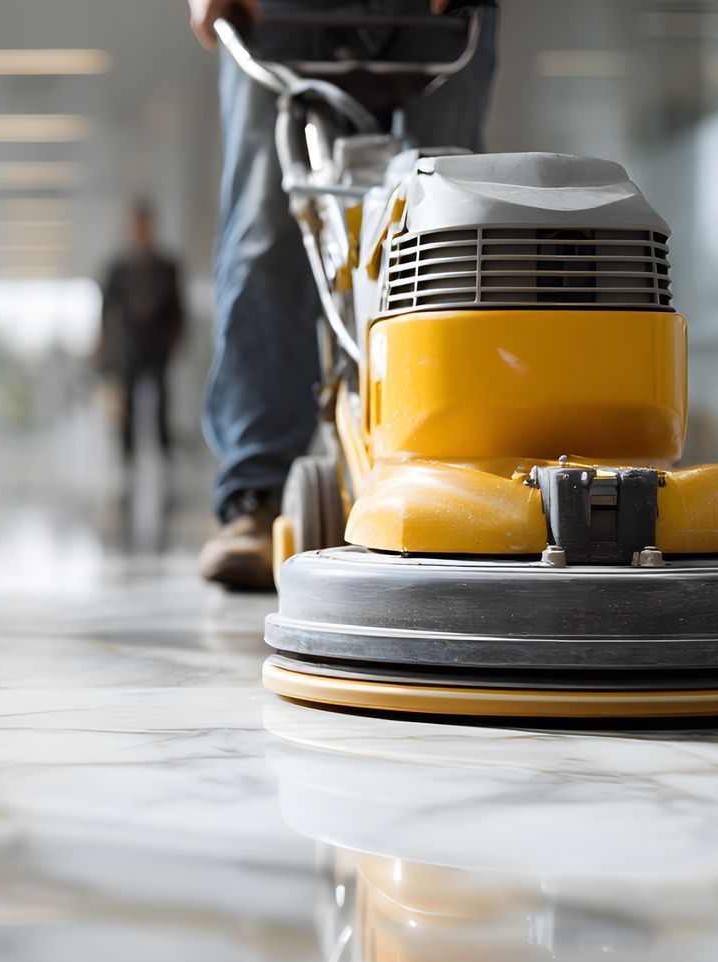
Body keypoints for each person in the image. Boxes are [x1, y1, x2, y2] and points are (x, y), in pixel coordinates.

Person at [187, 0, 500, 590]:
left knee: (447, 229)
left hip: (440, 21)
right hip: (274, 17)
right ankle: (256, 499)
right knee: (268, 235)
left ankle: (451, 477)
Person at [100, 202, 186, 471]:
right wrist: (105, 342)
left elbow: (177, 307)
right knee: (129, 401)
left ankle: (163, 450)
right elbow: (107, 309)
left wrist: (177, 335)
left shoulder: (167, 266)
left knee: (161, 398)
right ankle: (127, 454)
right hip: (130, 346)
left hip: (158, 345)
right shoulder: (119, 268)